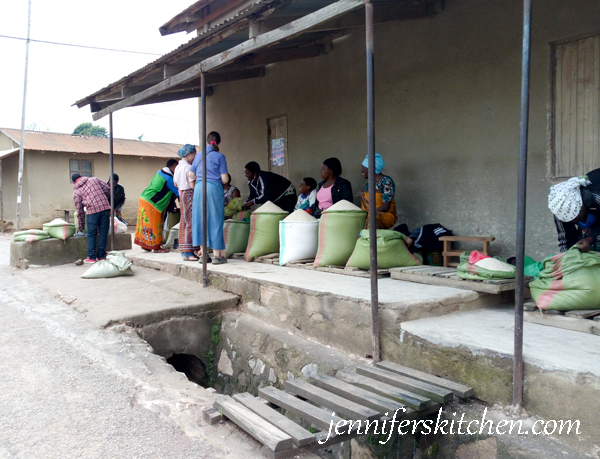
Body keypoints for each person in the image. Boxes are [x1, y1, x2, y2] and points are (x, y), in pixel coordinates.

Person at [189, 131, 229, 264]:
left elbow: (191, 174)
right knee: (215, 218)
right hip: (213, 189)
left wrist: (200, 178)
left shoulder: (199, 155)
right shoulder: (220, 156)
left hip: (199, 189)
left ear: (207, 141)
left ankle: (203, 255)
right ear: (218, 142)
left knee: (200, 219)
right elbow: (224, 179)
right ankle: (217, 256)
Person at [549, 168, 600, 253]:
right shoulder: (560, 210)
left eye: (575, 217)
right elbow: (566, 242)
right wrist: (567, 259)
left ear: (582, 205)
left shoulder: (596, 198)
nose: (573, 221)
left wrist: (590, 238)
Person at [134, 159, 180, 253]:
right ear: (172, 167)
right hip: (152, 202)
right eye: (177, 167)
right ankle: (156, 247)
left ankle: (147, 245)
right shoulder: (168, 178)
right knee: (155, 224)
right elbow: (178, 192)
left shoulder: (160, 172)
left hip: (144, 198)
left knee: (146, 224)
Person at [72, 173, 111, 264]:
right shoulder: (94, 179)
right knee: (103, 233)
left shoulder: (77, 192)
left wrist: (81, 227)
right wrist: (103, 198)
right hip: (105, 208)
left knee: (91, 234)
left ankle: (92, 257)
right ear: (81, 177)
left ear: (74, 182)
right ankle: (101, 256)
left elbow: (80, 210)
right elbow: (107, 187)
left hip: (92, 212)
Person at [174, 144, 200, 261]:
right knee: (190, 222)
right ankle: (188, 252)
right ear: (189, 154)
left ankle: (186, 250)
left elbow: (175, 184)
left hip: (182, 194)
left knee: (184, 222)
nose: (194, 157)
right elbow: (192, 184)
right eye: (194, 154)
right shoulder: (188, 168)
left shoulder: (178, 167)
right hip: (189, 194)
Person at [360, 153, 397, 229]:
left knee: (372, 219)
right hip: (371, 215)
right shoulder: (369, 183)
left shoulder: (386, 181)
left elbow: (386, 206)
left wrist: (369, 215)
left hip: (385, 215)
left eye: (363, 168)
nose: (362, 170)